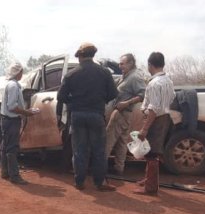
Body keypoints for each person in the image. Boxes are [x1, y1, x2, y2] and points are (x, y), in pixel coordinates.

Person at [56, 43, 118, 191]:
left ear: (80, 56)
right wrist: (101, 100)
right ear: (93, 55)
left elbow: (61, 96)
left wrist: (74, 102)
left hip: (77, 115)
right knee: (98, 150)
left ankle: (79, 182)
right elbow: (114, 94)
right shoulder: (104, 72)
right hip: (96, 114)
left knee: (79, 150)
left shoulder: (71, 74)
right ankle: (99, 183)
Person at [136, 52, 175, 195]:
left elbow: (153, 108)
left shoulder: (154, 84)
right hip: (165, 117)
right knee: (153, 151)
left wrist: (145, 129)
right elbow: (172, 98)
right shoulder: (168, 81)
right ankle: (149, 180)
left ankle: (151, 187)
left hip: (155, 119)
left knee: (151, 153)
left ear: (150, 65)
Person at [105, 53, 146, 176]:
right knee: (122, 142)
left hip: (122, 112)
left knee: (108, 140)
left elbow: (143, 95)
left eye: (122, 63)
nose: (120, 66)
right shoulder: (126, 76)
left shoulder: (134, 77)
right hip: (124, 113)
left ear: (130, 63)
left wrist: (127, 103)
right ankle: (119, 168)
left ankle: (100, 168)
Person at [0, 62, 37, 185]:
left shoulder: (11, 85)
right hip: (11, 120)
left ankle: (5, 172)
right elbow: (12, 107)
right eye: (21, 72)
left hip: (7, 120)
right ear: (18, 73)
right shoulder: (14, 86)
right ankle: (14, 176)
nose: (22, 74)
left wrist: (25, 112)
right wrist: (26, 113)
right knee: (12, 148)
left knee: (6, 146)